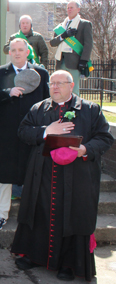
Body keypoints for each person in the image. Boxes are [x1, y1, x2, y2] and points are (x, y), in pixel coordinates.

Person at [11, 70, 113, 282]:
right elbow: (23, 132)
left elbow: (105, 137)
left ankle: (68, 264)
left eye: (60, 83)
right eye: (52, 83)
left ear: (71, 85)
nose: (55, 87)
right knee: (40, 213)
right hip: (43, 175)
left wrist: (85, 149)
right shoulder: (39, 108)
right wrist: (46, 130)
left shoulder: (90, 109)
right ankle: (34, 256)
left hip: (77, 176)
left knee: (71, 217)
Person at [0, 39, 49, 231]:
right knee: (4, 175)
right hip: (5, 133)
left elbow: (48, 101)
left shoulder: (41, 73)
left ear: (27, 51)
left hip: (33, 133)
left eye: (20, 50)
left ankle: (31, 216)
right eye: (13, 50)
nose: (16, 53)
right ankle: (0, 214)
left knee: (32, 174)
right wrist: (8, 93)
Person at [50, 1, 93, 95]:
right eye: (68, 8)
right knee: (59, 89)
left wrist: (84, 61)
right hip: (61, 61)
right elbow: (52, 43)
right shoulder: (61, 26)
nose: (69, 9)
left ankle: (74, 109)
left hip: (75, 63)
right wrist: (63, 36)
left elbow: (88, 44)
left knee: (73, 90)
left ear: (78, 10)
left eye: (71, 7)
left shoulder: (84, 24)